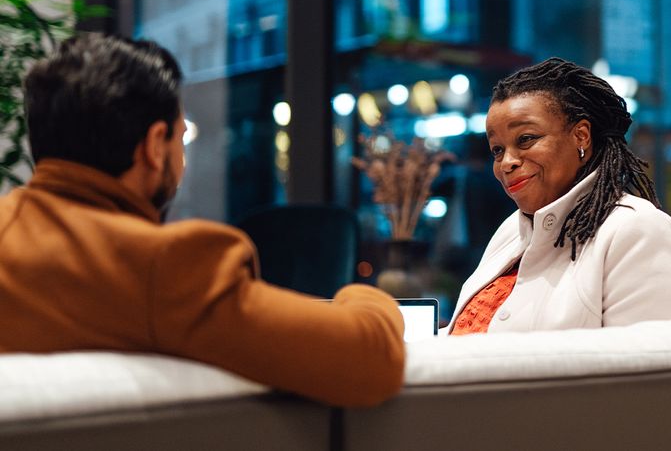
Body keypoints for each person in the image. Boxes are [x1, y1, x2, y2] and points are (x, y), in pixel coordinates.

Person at [0, 34, 405, 407]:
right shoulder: (162, 268)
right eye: (181, 137)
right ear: (156, 146)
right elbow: (370, 358)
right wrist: (363, 297)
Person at [448, 58, 671, 334]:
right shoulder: (511, 230)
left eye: (526, 139)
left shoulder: (639, 229)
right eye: (497, 150)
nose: (507, 162)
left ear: (581, 136)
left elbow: (645, 368)